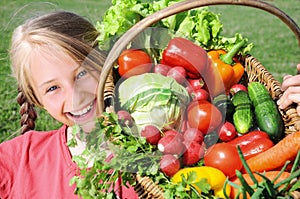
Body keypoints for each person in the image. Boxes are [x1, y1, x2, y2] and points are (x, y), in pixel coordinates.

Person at [0, 11, 139, 199]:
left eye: (82, 74)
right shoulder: (16, 160)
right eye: (53, 88)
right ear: (37, 100)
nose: (76, 97)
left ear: (106, 63)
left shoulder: (154, 147)